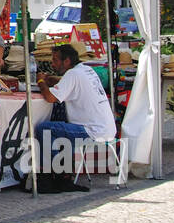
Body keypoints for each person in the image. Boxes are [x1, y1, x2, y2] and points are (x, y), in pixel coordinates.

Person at [33, 43, 117, 192]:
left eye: (55, 60)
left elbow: (50, 97)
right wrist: (55, 80)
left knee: (44, 128)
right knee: (62, 129)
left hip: (92, 131)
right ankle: (63, 176)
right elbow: (70, 85)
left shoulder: (73, 75)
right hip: (106, 129)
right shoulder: (86, 70)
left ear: (67, 61)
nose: (52, 63)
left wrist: (41, 81)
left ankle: (49, 178)